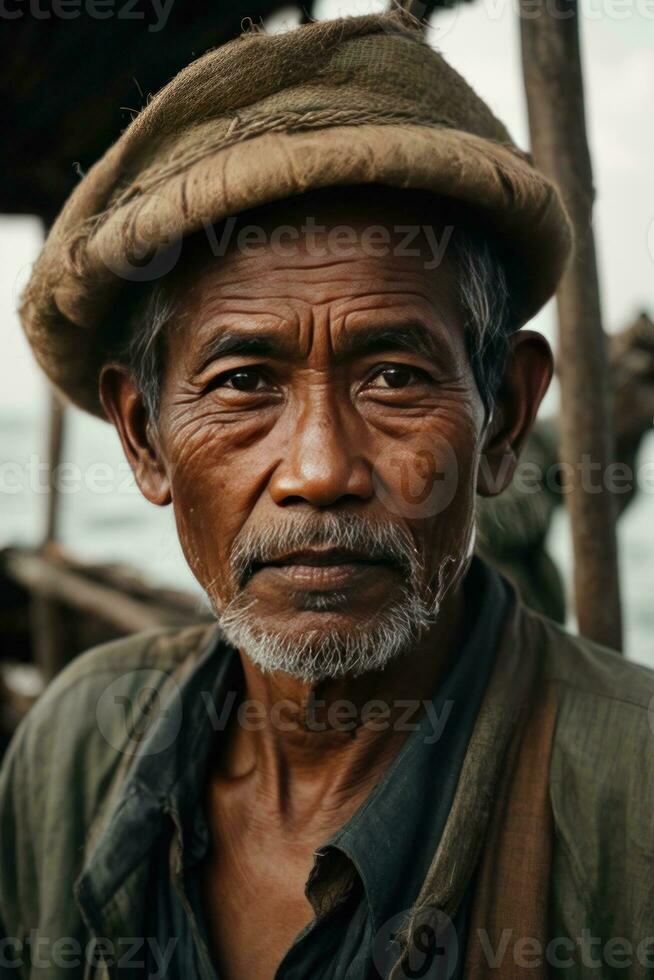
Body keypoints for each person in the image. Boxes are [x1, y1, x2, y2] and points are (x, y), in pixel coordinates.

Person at [1, 11, 653, 980]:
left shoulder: (631, 805)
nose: (319, 469)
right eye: (243, 381)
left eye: (393, 375)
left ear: (506, 420)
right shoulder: (75, 746)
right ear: (144, 438)